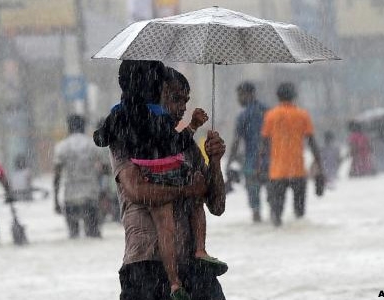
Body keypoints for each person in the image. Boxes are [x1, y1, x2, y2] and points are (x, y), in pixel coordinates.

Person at [94, 61, 225, 299]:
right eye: (175, 98)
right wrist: (187, 190)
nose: (182, 108)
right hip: (145, 267)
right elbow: (138, 191)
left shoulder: (185, 145)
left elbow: (216, 206)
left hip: (193, 267)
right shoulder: (127, 139)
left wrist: (215, 161)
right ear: (156, 95)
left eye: (185, 100)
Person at [258, 82, 324, 227]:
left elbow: (264, 144)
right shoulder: (302, 115)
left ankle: (278, 243)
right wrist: (320, 167)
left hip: (277, 172)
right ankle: (299, 245)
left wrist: (260, 167)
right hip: (298, 170)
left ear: (277, 96)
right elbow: (312, 143)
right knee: (300, 215)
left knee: (276, 215)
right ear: (294, 96)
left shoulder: (271, 115)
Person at [53, 115, 105, 239]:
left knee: (73, 236)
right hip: (90, 195)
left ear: (69, 127)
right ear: (83, 127)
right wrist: (103, 193)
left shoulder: (61, 147)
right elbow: (103, 170)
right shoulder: (93, 145)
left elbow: (57, 176)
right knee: (93, 235)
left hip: (70, 197)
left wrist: (55, 200)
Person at [226, 81, 268, 222]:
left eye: (240, 95)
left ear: (250, 94)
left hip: (251, 163)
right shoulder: (268, 111)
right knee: (274, 201)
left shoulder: (243, 116)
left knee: (255, 206)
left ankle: (257, 223)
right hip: (270, 161)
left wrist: (229, 163)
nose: (238, 99)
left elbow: (236, 142)